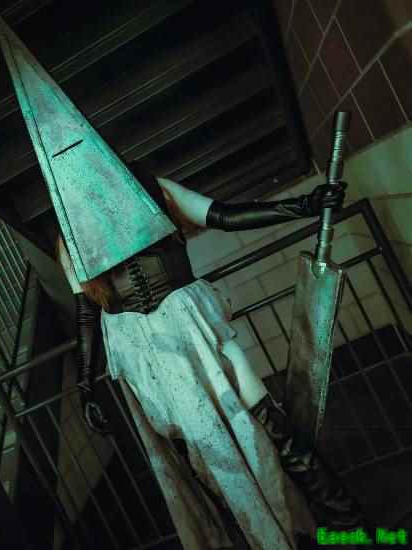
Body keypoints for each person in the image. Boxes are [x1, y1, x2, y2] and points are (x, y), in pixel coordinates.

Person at [57, 164, 366, 550]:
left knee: (270, 426)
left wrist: (305, 205)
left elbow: (223, 215)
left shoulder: (152, 187)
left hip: (195, 330)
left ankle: (349, 525)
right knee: (210, 460)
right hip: (149, 358)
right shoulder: (69, 229)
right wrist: (86, 386)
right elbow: (86, 311)